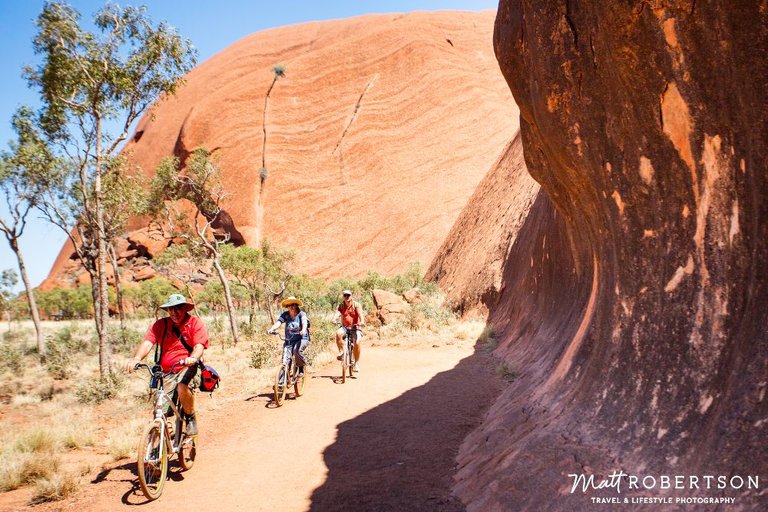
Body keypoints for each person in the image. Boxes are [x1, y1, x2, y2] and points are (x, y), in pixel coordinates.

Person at [126, 293, 208, 436]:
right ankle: (157, 444)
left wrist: (193, 358)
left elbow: (199, 346)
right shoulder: (161, 325)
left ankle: (190, 417)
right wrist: (136, 358)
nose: (174, 312)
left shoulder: (195, 323)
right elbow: (148, 342)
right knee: (160, 409)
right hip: (167, 371)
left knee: (182, 386)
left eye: (177, 308)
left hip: (189, 367)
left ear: (184, 309)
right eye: (171, 309)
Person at [268, 296, 309, 378]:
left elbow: (304, 322)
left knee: (296, 350)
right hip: (289, 340)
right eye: (290, 305)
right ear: (287, 306)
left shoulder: (301, 314)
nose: (292, 307)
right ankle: (282, 381)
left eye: (294, 305)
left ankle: (301, 367)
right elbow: (279, 322)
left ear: (296, 305)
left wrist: (303, 330)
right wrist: (272, 328)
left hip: (302, 338)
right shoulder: (285, 315)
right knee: (285, 359)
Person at [332, 290, 365, 372]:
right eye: (345, 295)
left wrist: (362, 322)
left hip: (355, 327)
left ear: (351, 296)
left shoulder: (356, 305)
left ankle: (356, 363)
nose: (347, 297)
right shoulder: (341, 306)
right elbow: (337, 313)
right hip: (345, 327)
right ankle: (342, 352)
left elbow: (361, 315)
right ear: (343, 296)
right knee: (338, 333)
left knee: (357, 342)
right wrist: (334, 319)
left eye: (348, 295)